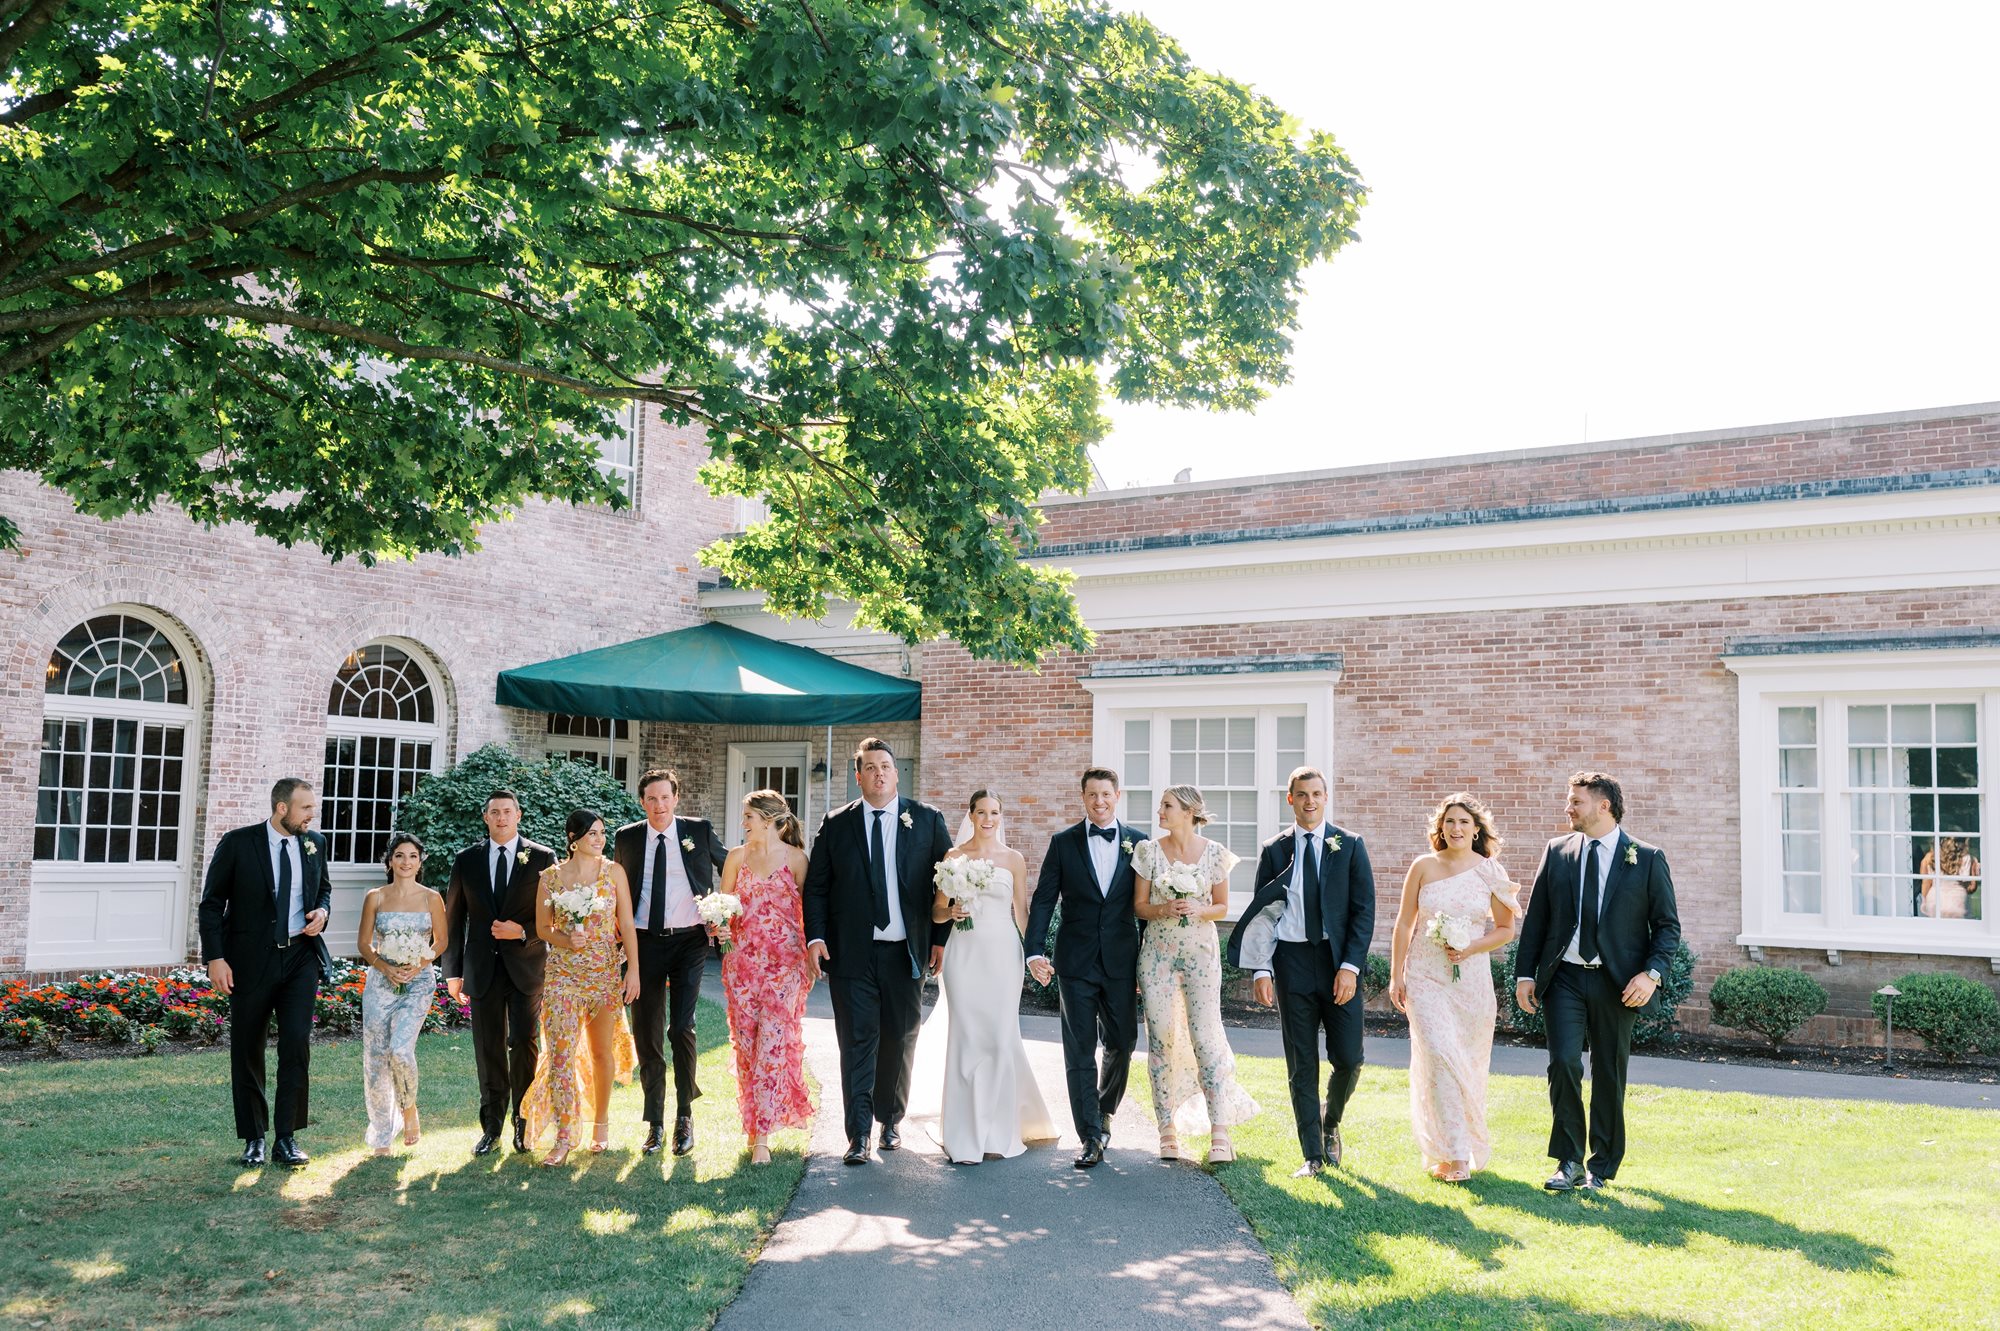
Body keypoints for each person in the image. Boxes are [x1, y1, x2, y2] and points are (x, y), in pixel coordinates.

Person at [1515, 771, 1682, 1192]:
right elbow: (1537, 919)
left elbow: (1667, 927)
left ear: (1603, 805)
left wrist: (1651, 975)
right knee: (1564, 1063)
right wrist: (1525, 974)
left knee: (1609, 1072)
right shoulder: (1557, 851)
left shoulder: (1646, 858)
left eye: (1576, 801)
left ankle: (1601, 1167)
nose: (1568, 808)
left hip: (1617, 984)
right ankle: (1568, 1161)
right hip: (1565, 978)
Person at [802, 737, 954, 1166]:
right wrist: (815, 937)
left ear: (896, 772)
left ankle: (890, 1119)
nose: (879, 773)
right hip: (851, 955)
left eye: (885, 766)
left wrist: (939, 940)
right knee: (856, 1042)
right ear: (859, 776)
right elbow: (817, 887)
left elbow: (947, 884)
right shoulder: (836, 824)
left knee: (900, 1039)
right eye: (870, 768)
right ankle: (858, 1135)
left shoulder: (926, 820)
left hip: (905, 952)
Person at [1227, 767, 1375, 1179]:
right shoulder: (1274, 849)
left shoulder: (1350, 845)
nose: (1310, 801)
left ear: (1325, 797)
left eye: (1316, 794)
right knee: (1301, 1062)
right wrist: (1261, 968)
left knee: (1350, 1058)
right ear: (1290, 799)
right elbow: (1262, 914)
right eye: (1302, 794)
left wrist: (1350, 967)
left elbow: (1364, 912)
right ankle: (1313, 1155)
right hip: (1291, 962)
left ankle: (1331, 1120)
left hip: (1336, 961)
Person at [913, 790, 1057, 1165]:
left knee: (998, 1037)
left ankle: (997, 1130)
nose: (988, 819)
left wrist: (1035, 956)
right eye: (981, 812)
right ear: (971, 815)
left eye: (994, 812)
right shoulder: (953, 858)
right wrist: (951, 911)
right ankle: (963, 1134)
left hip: (1003, 956)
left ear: (1000, 816)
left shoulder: (1014, 860)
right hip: (963, 955)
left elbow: (1022, 914)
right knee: (966, 1036)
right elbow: (936, 911)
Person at [197, 777, 332, 1169]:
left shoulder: (314, 843)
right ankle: (254, 1138)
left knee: (296, 1044)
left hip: (301, 958)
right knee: (248, 1048)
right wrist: (215, 957)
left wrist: (322, 912)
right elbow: (211, 904)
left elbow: (323, 889)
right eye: (305, 808)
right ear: (281, 808)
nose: (312, 815)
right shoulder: (238, 843)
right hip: (250, 961)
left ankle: (286, 1138)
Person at [1385, 795, 1517, 1182]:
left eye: (1463, 822)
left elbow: (1505, 930)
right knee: (1439, 1055)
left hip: (1471, 982)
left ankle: (1450, 1151)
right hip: (1426, 977)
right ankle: (1457, 1155)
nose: (1456, 828)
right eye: (1449, 822)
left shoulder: (1490, 872)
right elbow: (1404, 924)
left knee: (1464, 1065)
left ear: (1476, 830)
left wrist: (1471, 946)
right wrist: (1396, 975)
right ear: (1440, 828)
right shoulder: (1423, 866)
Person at [1025, 767, 1147, 1170]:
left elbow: (1146, 909)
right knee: (1079, 1050)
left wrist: (1148, 963)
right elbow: (1044, 898)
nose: (1099, 802)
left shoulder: (1139, 844)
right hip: (1075, 962)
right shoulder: (1063, 843)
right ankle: (1090, 1135)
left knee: (1123, 1042)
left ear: (1118, 796)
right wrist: (1034, 951)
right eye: (1092, 795)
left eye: (1106, 794)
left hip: (1121, 961)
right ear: (1083, 797)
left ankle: (1104, 1109)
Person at [1131, 786, 1259, 1163]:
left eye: (1167, 806)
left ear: (1188, 812)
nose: (1160, 811)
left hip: (1200, 956)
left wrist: (1198, 910)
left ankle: (1220, 1132)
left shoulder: (1215, 853)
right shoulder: (1148, 852)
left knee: (1205, 1037)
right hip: (1157, 957)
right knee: (1161, 1039)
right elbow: (1139, 906)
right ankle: (1166, 1130)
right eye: (1161, 806)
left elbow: (1222, 906)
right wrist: (1164, 909)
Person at [612, 768, 728, 1157]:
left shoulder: (698, 830)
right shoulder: (627, 838)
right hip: (643, 944)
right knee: (647, 1034)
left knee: (681, 1028)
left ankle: (684, 1117)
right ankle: (655, 1124)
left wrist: (723, 910)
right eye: (652, 799)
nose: (659, 805)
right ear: (642, 802)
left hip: (690, 942)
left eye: (665, 798)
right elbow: (616, 889)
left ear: (676, 799)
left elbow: (731, 866)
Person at [522, 809, 641, 1165]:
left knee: (602, 1053)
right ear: (573, 839)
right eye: (592, 833)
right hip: (562, 977)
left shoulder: (614, 872)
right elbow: (543, 928)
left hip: (603, 975)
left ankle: (600, 1125)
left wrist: (633, 970)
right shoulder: (550, 877)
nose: (600, 839)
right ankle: (564, 1135)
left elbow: (627, 923)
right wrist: (565, 939)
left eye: (602, 833)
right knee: (561, 1056)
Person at [442, 790, 557, 1157]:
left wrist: (523, 931)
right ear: (486, 817)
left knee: (524, 1042)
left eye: (508, 811)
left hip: (526, 967)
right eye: (495, 812)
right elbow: (453, 918)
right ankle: (491, 1128)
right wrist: (452, 972)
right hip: (482, 969)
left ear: (518, 815)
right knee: (488, 1048)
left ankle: (523, 1123)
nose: (502, 817)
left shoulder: (542, 858)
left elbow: (555, 915)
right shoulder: (466, 860)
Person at [717, 790, 816, 1165]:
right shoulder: (736, 858)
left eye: (749, 816)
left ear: (770, 820)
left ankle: (762, 1138)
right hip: (742, 967)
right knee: (747, 1047)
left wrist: (811, 958)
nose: (744, 822)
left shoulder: (797, 859)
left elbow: (809, 915)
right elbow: (722, 908)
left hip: (784, 969)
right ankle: (754, 1123)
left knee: (772, 1047)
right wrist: (719, 928)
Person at [356, 832, 447, 1156]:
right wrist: (385, 967)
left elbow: (441, 941)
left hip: (417, 984)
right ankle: (382, 1132)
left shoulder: (431, 898)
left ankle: (409, 1109)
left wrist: (417, 964)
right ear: (390, 861)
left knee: (400, 1050)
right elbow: (364, 944)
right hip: (381, 984)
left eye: (412, 856)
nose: (406, 862)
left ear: (420, 862)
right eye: (399, 856)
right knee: (376, 1058)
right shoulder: (375, 897)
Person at [1920, 837, 1982, 919]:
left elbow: (1926, 885)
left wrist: (1924, 903)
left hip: (1935, 900)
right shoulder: (1967, 858)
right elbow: (1972, 888)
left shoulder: (1929, 857)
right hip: (1958, 902)